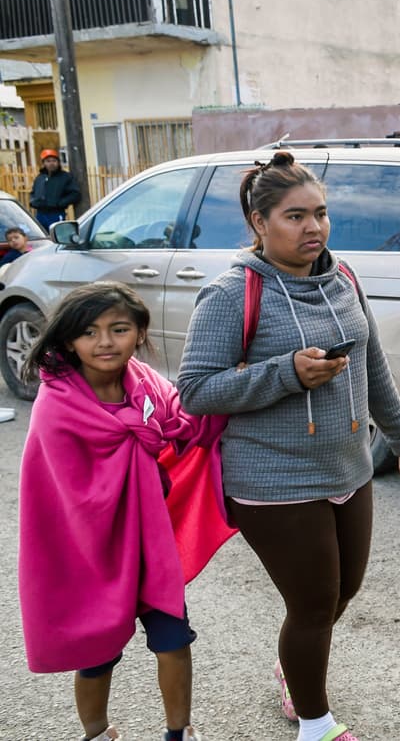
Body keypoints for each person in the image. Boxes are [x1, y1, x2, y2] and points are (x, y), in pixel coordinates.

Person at [178, 152, 400, 741]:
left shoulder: (344, 278)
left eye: (321, 213)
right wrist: (286, 373)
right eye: (294, 217)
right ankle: (315, 723)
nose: (313, 228)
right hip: (271, 479)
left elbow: (373, 364)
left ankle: (295, 668)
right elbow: (195, 390)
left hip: (348, 468)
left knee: (344, 590)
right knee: (314, 602)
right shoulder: (231, 292)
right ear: (259, 222)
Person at [18, 282, 203, 741]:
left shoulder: (147, 384)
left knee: (174, 640)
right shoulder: (57, 405)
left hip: (150, 544)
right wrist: (136, 438)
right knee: (97, 654)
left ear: (139, 333)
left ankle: (179, 733)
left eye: (119, 329)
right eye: (89, 332)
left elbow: (186, 419)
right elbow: (63, 496)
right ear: (68, 341)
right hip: (91, 552)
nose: (105, 342)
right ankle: (97, 733)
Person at [30, 148, 80, 230]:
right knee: (42, 236)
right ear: (44, 163)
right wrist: (33, 202)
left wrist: (60, 203)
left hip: (56, 214)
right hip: (40, 214)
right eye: (48, 161)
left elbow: (75, 194)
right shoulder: (40, 178)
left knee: (57, 235)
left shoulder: (65, 177)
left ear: (58, 162)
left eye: (54, 160)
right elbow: (33, 192)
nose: (51, 163)